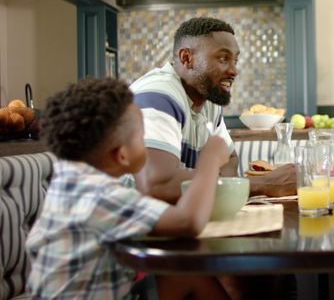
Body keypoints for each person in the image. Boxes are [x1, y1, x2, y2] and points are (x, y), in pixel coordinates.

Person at [27, 78, 230, 299]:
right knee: (190, 274)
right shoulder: (100, 195)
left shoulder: (70, 181)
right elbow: (188, 221)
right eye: (142, 137)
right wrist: (209, 159)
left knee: (182, 275)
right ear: (122, 155)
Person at [129, 17, 295, 204]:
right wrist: (261, 184)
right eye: (223, 58)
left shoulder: (209, 100)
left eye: (235, 60)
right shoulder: (158, 95)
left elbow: (229, 159)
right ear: (187, 58)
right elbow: (158, 185)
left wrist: (215, 184)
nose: (234, 70)